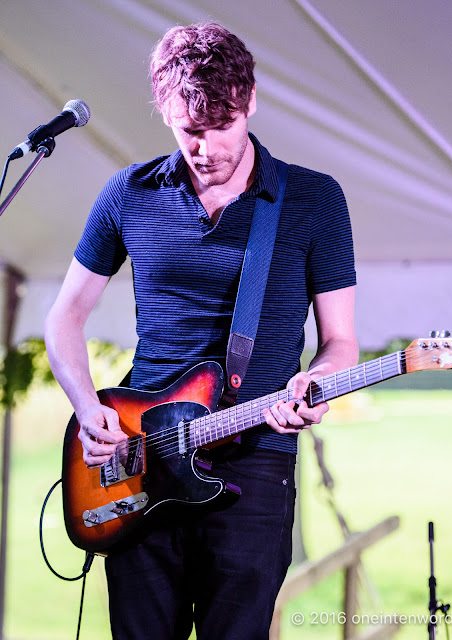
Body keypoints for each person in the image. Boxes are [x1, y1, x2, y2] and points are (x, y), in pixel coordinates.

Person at [45, 22, 358, 640]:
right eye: (190, 129)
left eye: (223, 126)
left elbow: (341, 342)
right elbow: (64, 316)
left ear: (251, 103)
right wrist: (88, 409)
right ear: (163, 110)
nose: (206, 147)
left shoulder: (313, 201)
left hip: (253, 463)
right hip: (141, 459)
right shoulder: (128, 195)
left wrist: (315, 382)